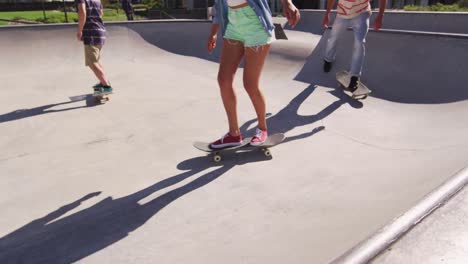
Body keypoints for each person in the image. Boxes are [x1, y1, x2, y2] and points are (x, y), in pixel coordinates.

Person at [207, 0, 300, 149]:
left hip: (256, 24)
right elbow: (219, 6)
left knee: (250, 84)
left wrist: (287, 2)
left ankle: (262, 129)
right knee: (223, 80)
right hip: (232, 24)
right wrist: (213, 33)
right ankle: (234, 134)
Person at [322, 0, 386, 95]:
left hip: (361, 13)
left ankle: (354, 77)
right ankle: (328, 59)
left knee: (359, 42)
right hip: (342, 14)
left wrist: (380, 15)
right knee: (333, 37)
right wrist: (327, 13)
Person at [76, 0, 112, 95]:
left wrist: (80, 31)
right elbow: (101, 13)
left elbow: (82, 12)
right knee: (96, 61)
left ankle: (106, 87)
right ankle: (104, 81)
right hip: (100, 31)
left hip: (91, 33)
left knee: (92, 63)